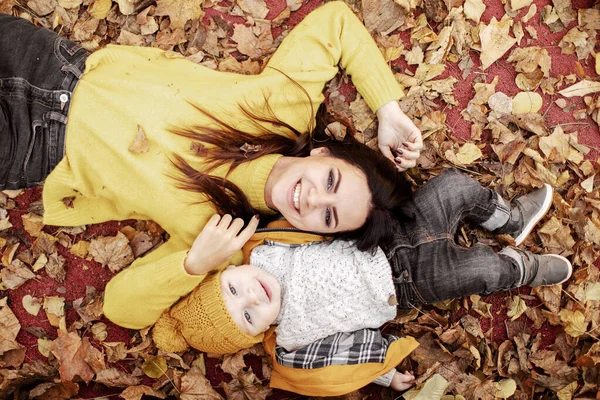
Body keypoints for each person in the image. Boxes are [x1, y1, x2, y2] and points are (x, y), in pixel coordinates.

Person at [0, 2, 423, 327]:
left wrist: (192, 265)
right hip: (51, 65)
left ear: (315, 233)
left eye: (327, 216)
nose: (313, 198)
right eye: (330, 180)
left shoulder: (222, 234)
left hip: (32, 147)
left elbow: (120, 308)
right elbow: (335, 22)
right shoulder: (285, 108)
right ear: (323, 153)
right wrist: (388, 110)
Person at [151, 168, 573, 396]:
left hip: (387, 232)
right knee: (477, 271)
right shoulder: (293, 340)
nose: (252, 297)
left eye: (232, 288)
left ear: (229, 270)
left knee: (452, 186)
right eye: (247, 316)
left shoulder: (265, 248)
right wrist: (384, 374)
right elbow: (336, 360)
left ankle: (508, 219)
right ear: (257, 334)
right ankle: (520, 269)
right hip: (408, 284)